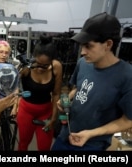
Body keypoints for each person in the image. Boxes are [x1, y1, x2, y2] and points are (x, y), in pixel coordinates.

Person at [51, 12, 132, 151]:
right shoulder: (83, 63)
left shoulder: (127, 76)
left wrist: (91, 134)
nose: (82, 52)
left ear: (108, 44)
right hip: (65, 135)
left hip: (91, 145)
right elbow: (79, 87)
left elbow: (128, 120)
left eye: (88, 46)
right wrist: (66, 99)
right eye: (82, 46)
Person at [16, 35, 63, 151]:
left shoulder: (56, 67)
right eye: (38, 63)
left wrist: (53, 117)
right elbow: (13, 86)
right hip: (26, 110)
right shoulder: (26, 67)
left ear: (52, 61)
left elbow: (56, 93)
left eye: (45, 65)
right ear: (33, 57)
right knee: (23, 143)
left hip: (45, 112)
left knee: (44, 147)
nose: (41, 68)